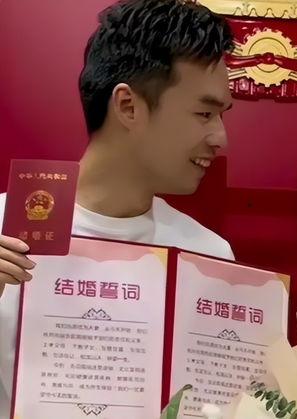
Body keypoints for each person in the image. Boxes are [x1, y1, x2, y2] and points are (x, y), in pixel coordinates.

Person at [0, 0, 235, 415]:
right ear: (128, 106)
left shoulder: (209, 258)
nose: (220, 138)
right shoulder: (4, 228)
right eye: (204, 113)